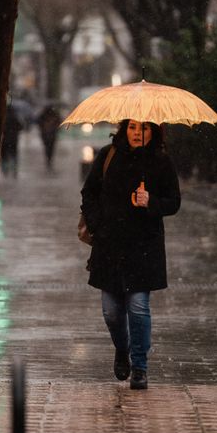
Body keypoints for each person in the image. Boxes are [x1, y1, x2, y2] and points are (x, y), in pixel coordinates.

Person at [80, 119, 180, 390]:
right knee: (111, 312)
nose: (138, 133)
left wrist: (151, 203)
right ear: (125, 129)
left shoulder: (160, 161)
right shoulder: (108, 155)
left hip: (143, 246)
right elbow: (88, 192)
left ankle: (140, 366)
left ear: (154, 132)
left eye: (145, 128)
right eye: (133, 127)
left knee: (138, 307)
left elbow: (174, 201)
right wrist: (97, 223)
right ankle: (122, 349)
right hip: (109, 244)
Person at [37, 105, 61, 171]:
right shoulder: (54, 115)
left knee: (48, 148)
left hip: (47, 135)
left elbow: (38, 123)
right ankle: (49, 160)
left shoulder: (43, 115)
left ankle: (48, 160)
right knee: (50, 148)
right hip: (50, 135)